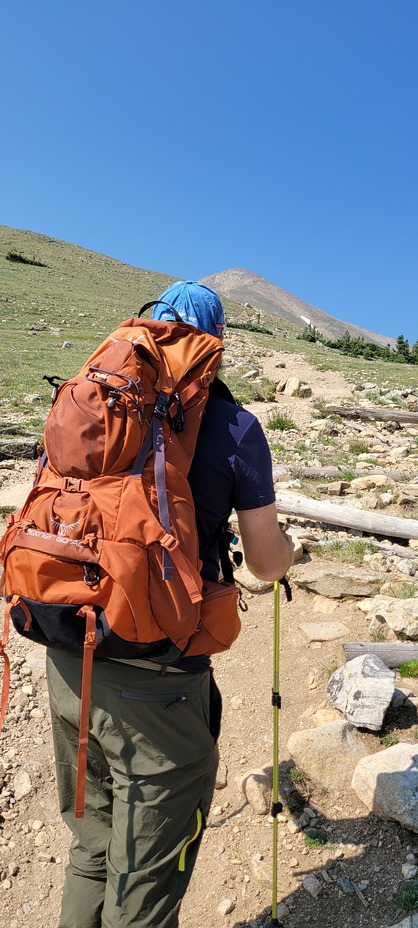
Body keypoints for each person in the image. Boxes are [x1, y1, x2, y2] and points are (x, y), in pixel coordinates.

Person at [46, 281, 294, 928]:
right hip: (158, 681)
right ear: (213, 349)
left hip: (68, 653)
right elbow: (265, 563)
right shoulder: (235, 427)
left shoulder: (97, 397)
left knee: (91, 850)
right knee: (147, 888)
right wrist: (291, 553)